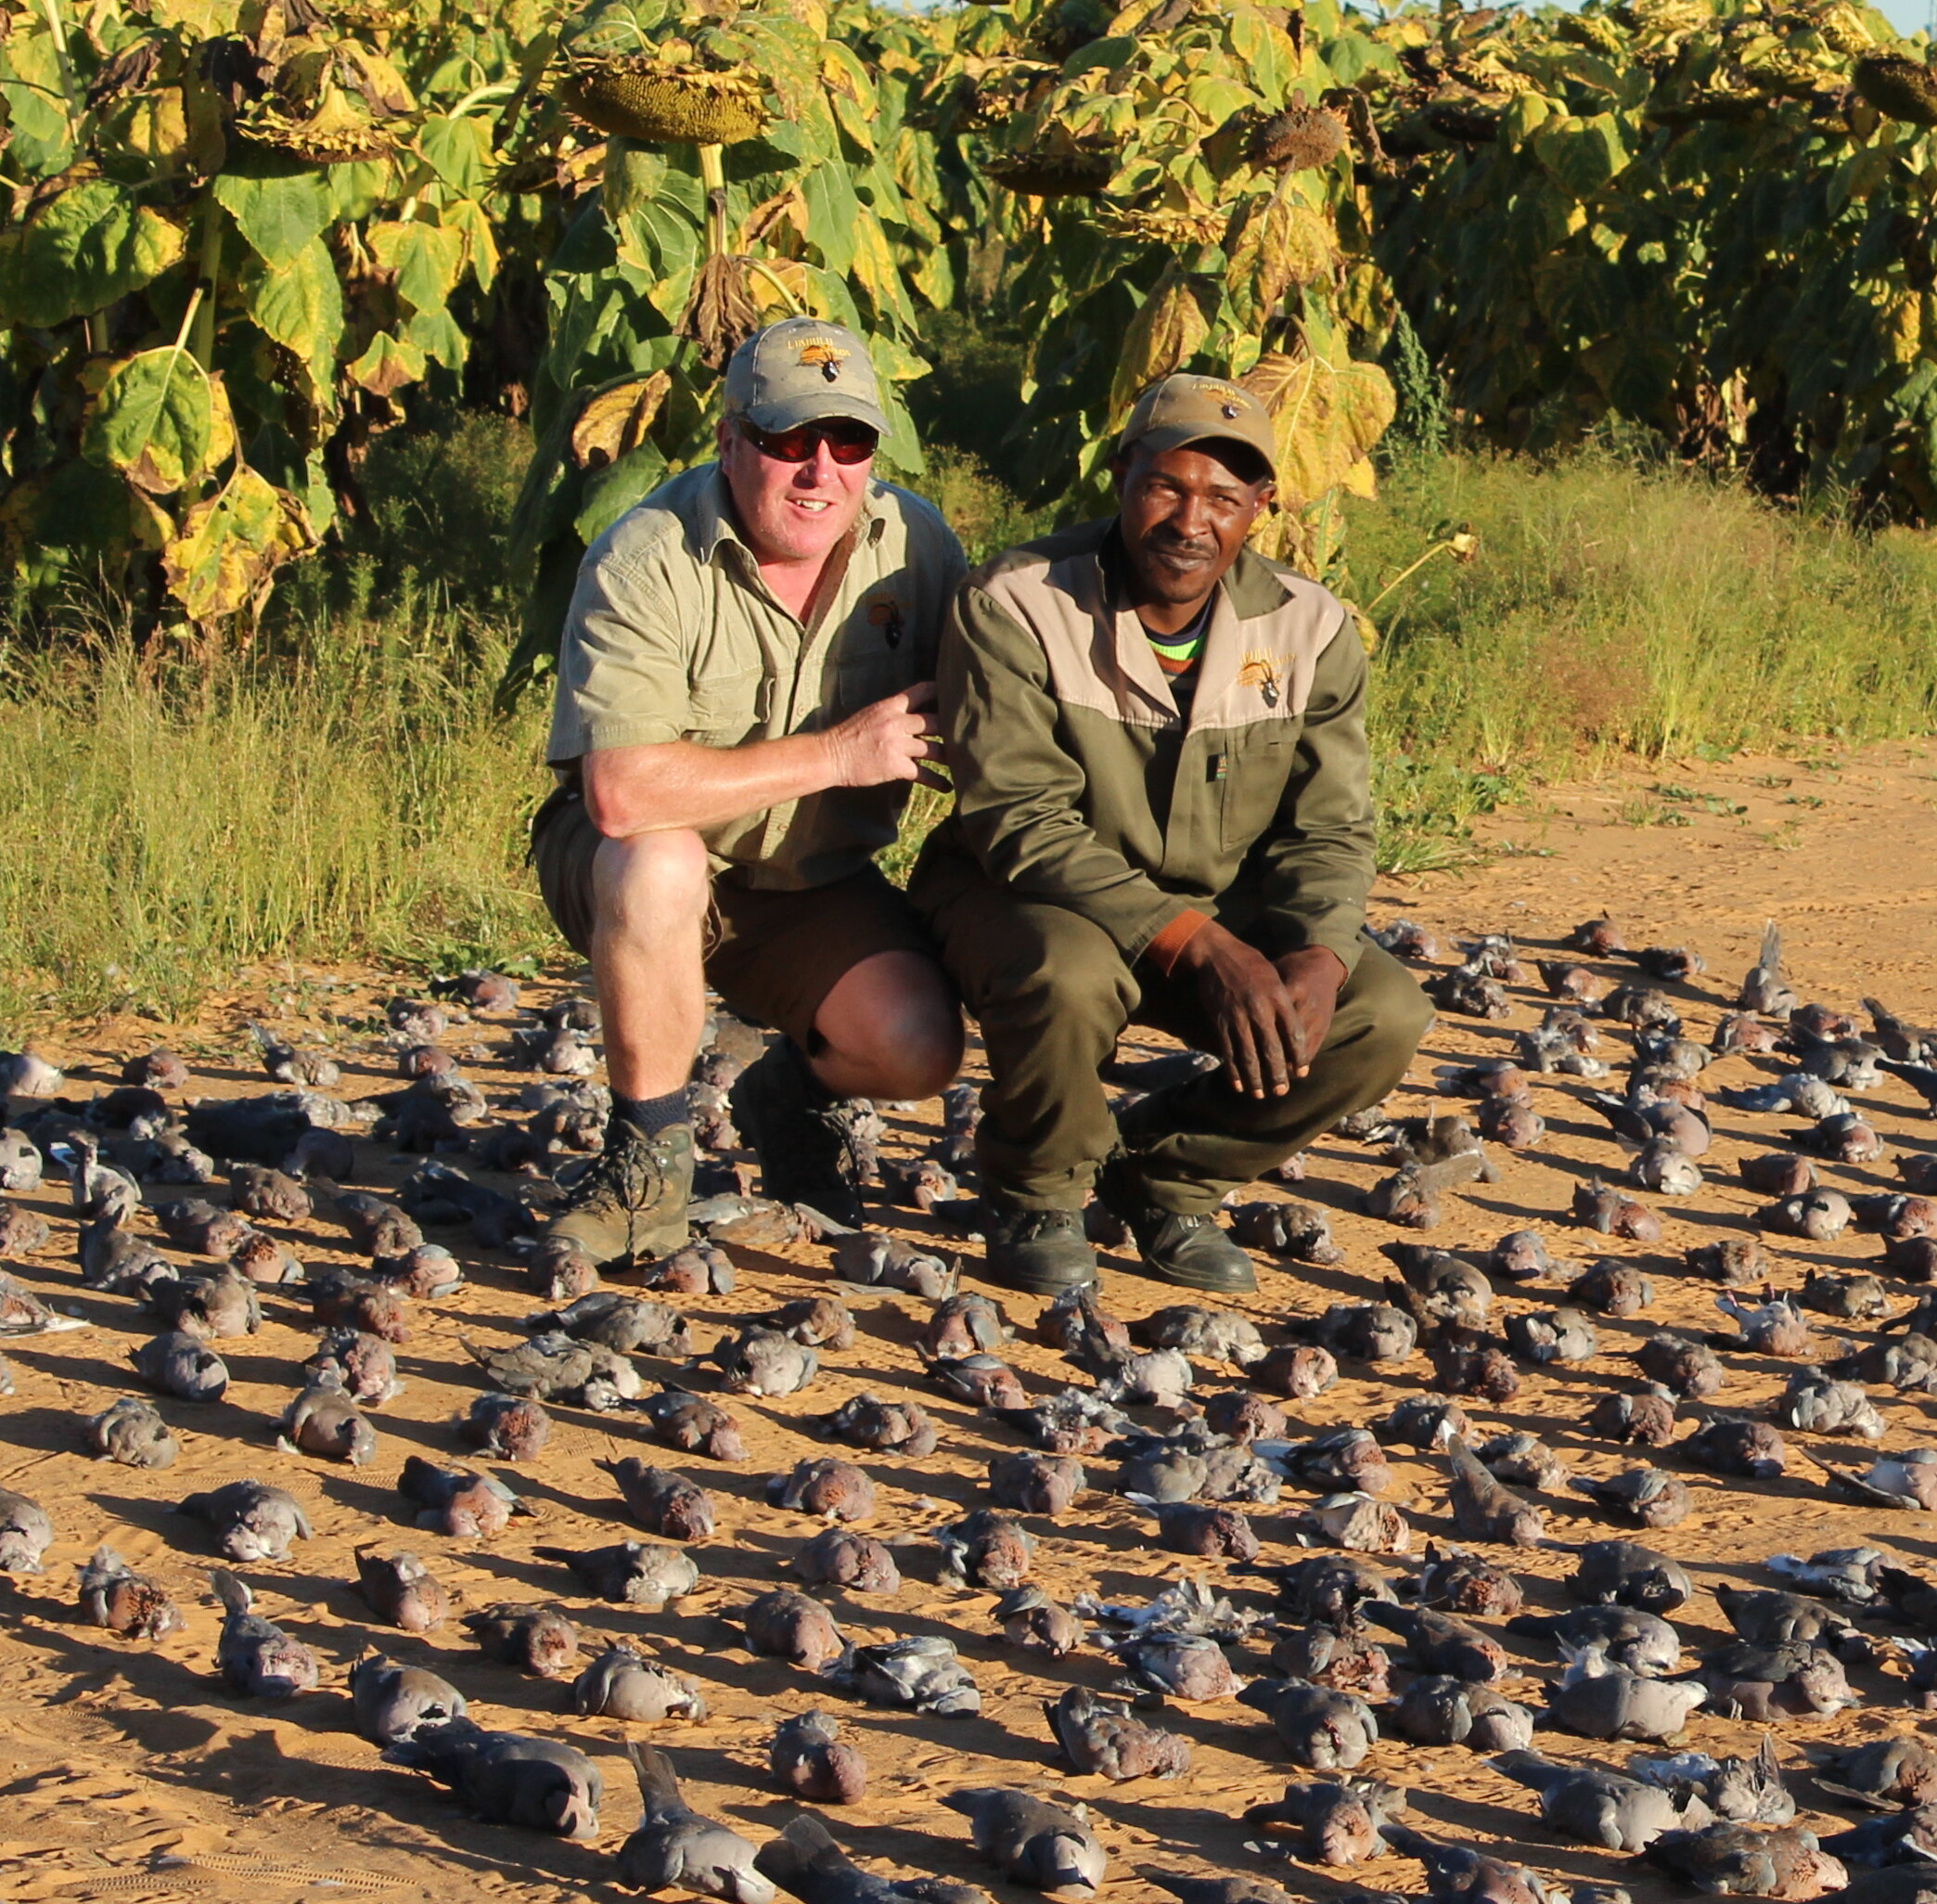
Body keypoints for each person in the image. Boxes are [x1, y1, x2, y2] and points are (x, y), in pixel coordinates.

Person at [914, 367, 1431, 1297]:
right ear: (1122, 475)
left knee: (1379, 1011)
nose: (1192, 523)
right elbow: (1016, 819)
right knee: (1064, 975)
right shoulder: (1017, 602)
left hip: (1214, 906)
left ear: (1260, 507)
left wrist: (1316, 954)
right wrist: (1201, 946)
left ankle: (1165, 1173)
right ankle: (1037, 1190)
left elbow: (1332, 826)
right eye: (1167, 486)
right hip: (1028, 894)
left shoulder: (1310, 629)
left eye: (1224, 499)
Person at [530, 318, 968, 1268]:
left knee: (922, 1047)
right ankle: (646, 1165)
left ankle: (787, 1097)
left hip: (808, 877)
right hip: (628, 859)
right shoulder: (647, 556)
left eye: (848, 443)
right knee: (659, 860)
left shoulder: (918, 548)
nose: (821, 470)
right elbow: (620, 792)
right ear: (731, 441)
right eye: (788, 441)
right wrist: (840, 756)